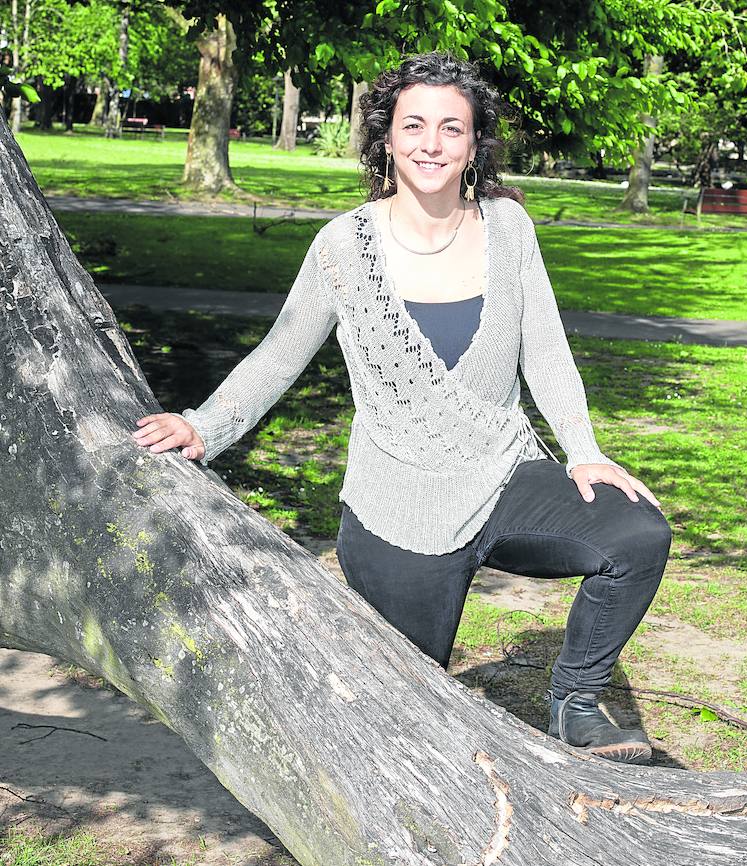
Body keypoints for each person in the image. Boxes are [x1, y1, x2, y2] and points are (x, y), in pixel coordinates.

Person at [130, 51, 672, 764]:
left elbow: (545, 349)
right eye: (414, 126)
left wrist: (583, 449)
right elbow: (282, 351)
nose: (432, 144)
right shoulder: (344, 246)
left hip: (502, 472)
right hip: (397, 504)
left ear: (475, 143)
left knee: (637, 536)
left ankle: (574, 704)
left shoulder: (509, 229)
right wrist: (205, 426)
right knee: (408, 727)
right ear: (387, 138)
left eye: (453, 128)